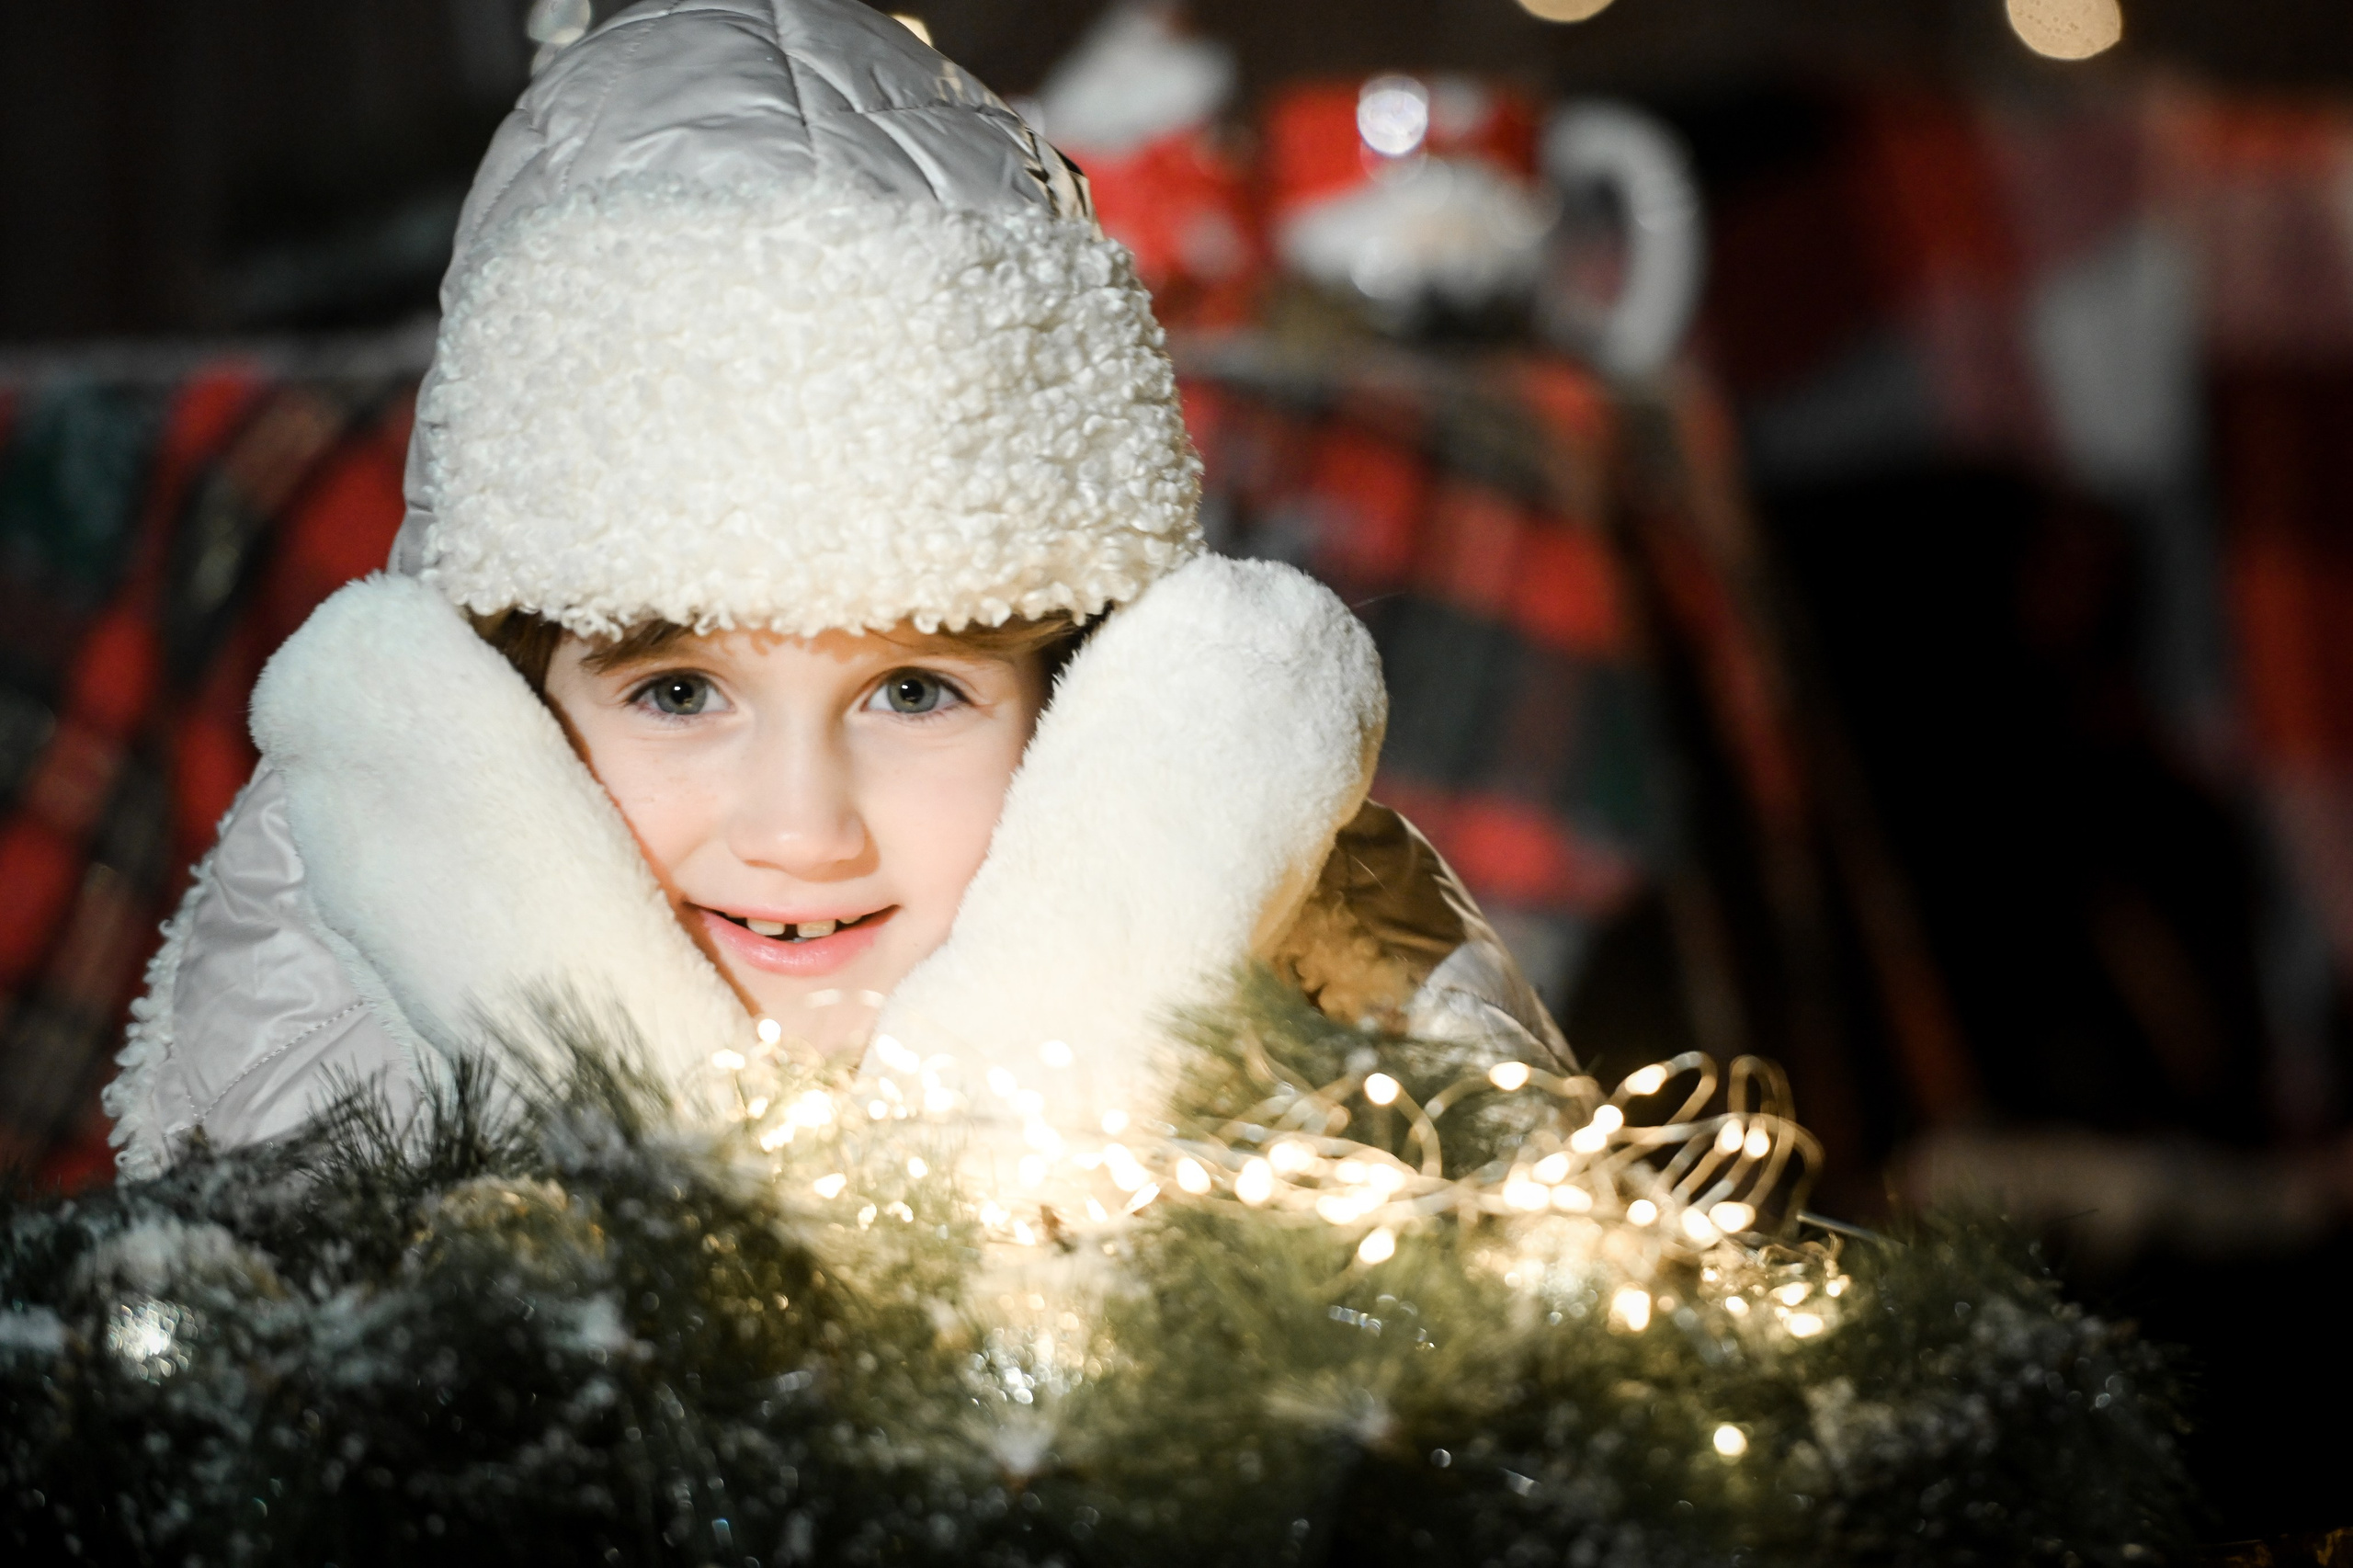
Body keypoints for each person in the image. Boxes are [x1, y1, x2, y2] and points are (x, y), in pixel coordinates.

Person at [103, 0, 1566, 1180]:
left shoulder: (1350, 1072)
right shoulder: (335, 1069)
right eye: (679, 691)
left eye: (913, 688)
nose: (800, 830)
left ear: (1091, 701)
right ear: (494, 706)